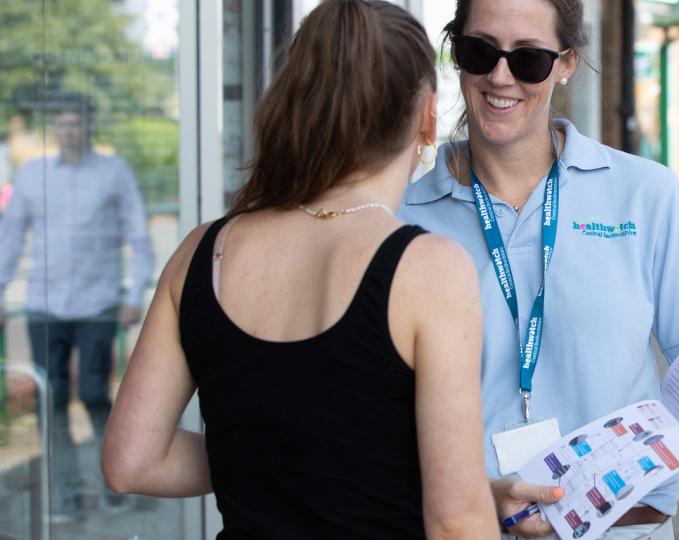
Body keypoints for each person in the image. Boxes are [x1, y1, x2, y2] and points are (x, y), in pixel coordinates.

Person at [398, 0, 679, 537]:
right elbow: (368, 430)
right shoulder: (402, 217)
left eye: (529, 59)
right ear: (455, 54)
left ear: (567, 64)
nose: (500, 76)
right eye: (478, 52)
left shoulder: (643, 194)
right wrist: (476, 498)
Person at [101, 2, 499, 537]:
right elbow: (455, 522)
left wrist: (275, 463)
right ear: (429, 117)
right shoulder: (429, 269)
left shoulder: (202, 252)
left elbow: (132, 461)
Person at [0, 95, 153, 518]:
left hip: (97, 303)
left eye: (76, 123)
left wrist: (134, 295)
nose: (69, 131)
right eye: (62, 124)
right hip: (45, 304)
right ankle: (65, 497)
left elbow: (138, 236)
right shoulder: (32, 176)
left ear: (88, 126)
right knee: (50, 402)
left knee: (92, 394)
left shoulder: (114, 172)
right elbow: (10, 237)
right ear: (55, 128)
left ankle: (113, 486)